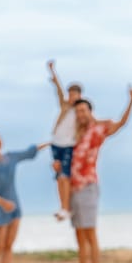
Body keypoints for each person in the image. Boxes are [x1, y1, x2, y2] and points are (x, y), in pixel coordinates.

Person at [68, 87, 132, 263]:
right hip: (73, 187)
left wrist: (131, 100)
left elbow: (121, 124)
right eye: (77, 112)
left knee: (90, 235)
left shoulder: (99, 129)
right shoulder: (75, 134)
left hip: (88, 186)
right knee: (79, 236)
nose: (80, 115)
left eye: (83, 111)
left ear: (90, 111)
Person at [0, 131, 49, 263]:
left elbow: (29, 152)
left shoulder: (11, 157)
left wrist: (50, 143)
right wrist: (4, 203)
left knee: (9, 246)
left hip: (15, 208)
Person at [47, 60, 82, 221]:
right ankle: (63, 207)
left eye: (74, 94)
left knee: (65, 176)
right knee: (59, 176)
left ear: (79, 95)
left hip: (69, 145)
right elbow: (59, 91)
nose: (71, 96)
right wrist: (53, 73)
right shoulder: (65, 106)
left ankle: (67, 208)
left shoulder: (81, 109)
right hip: (56, 143)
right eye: (70, 94)